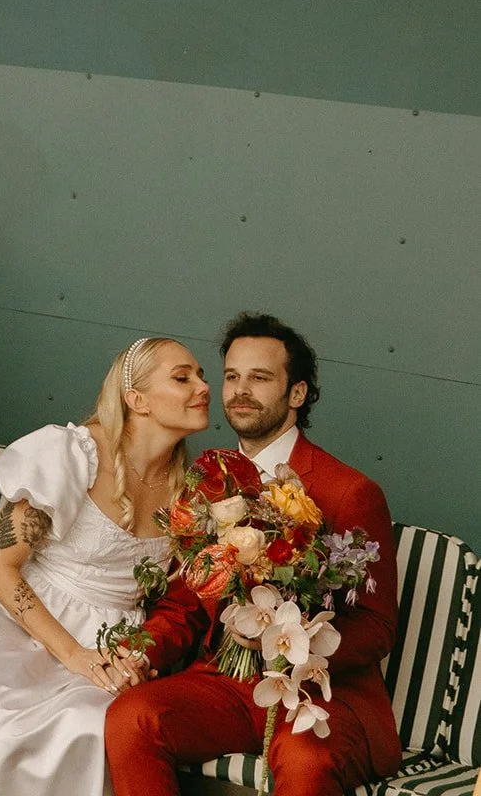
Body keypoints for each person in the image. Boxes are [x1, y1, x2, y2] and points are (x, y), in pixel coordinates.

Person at [0, 336, 211, 796]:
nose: (202, 386)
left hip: (113, 642)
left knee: (90, 725)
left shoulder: (193, 492)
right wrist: (74, 655)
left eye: (201, 376)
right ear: (134, 398)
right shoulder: (71, 454)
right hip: (19, 626)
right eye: (183, 377)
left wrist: (135, 655)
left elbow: (179, 604)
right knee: (1, 725)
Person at [105, 311, 401, 796]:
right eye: (232, 377)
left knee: (303, 758)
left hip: (320, 693)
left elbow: (377, 626)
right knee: (132, 717)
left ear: (296, 394)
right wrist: (138, 653)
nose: (241, 390)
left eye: (260, 378)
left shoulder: (350, 491)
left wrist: (294, 647)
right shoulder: (207, 482)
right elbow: (183, 605)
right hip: (225, 687)